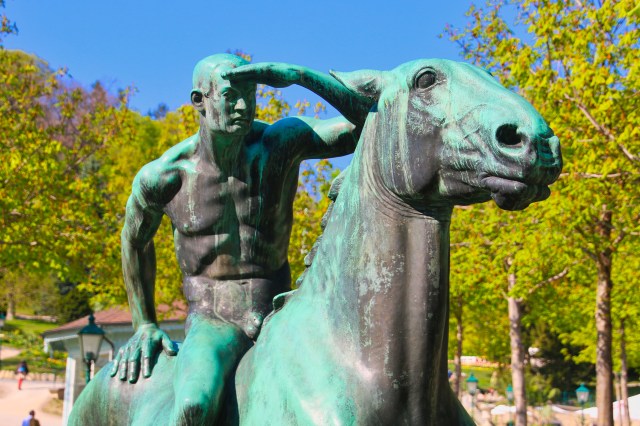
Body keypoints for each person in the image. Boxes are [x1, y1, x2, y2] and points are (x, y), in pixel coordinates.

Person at [109, 53, 370, 424]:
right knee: (193, 405)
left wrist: (298, 76)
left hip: (284, 312)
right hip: (213, 321)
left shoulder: (280, 143)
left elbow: (369, 120)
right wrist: (145, 324)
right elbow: (134, 241)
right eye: (231, 96)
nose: (244, 107)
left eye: (251, 95)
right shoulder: (166, 177)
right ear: (199, 100)